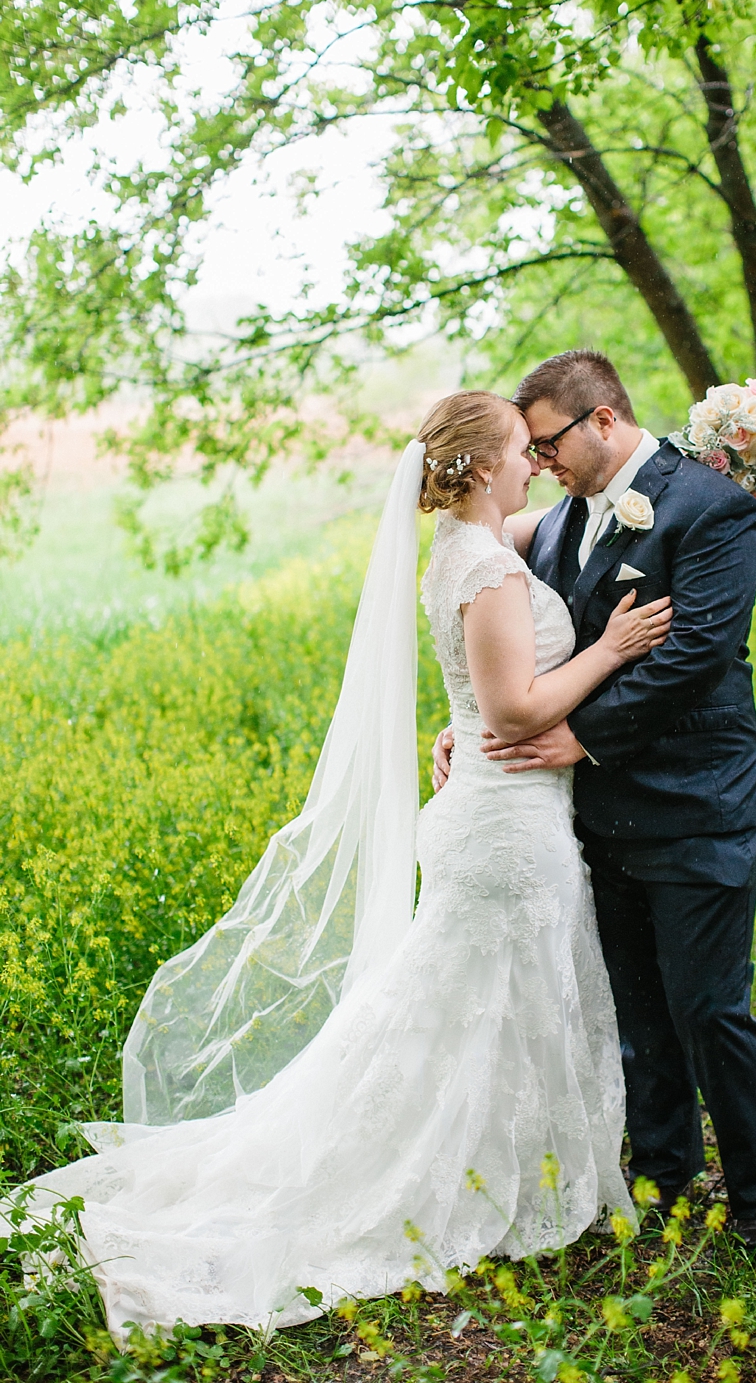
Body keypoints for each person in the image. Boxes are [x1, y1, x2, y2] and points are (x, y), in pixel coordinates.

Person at [12, 391, 673, 1333]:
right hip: (503, 831)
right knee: (475, 1006)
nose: (535, 462)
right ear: (484, 467)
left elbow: (566, 535)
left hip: (501, 816)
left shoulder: (472, 548)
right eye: (522, 450)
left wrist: (691, 464)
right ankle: (452, 1178)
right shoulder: (487, 569)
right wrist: (608, 649)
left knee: (463, 1011)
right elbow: (515, 709)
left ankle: (500, 1167)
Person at [431, 350, 756, 1255]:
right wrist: (466, 725)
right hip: (592, 816)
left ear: (601, 419)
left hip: (699, 803)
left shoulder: (709, 506)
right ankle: (665, 1183)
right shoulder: (553, 528)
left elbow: (697, 654)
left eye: (547, 442)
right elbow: (507, 644)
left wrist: (580, 738)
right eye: (528, 449)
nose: (539, 460)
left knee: (709, 1010)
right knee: (635, 1014)